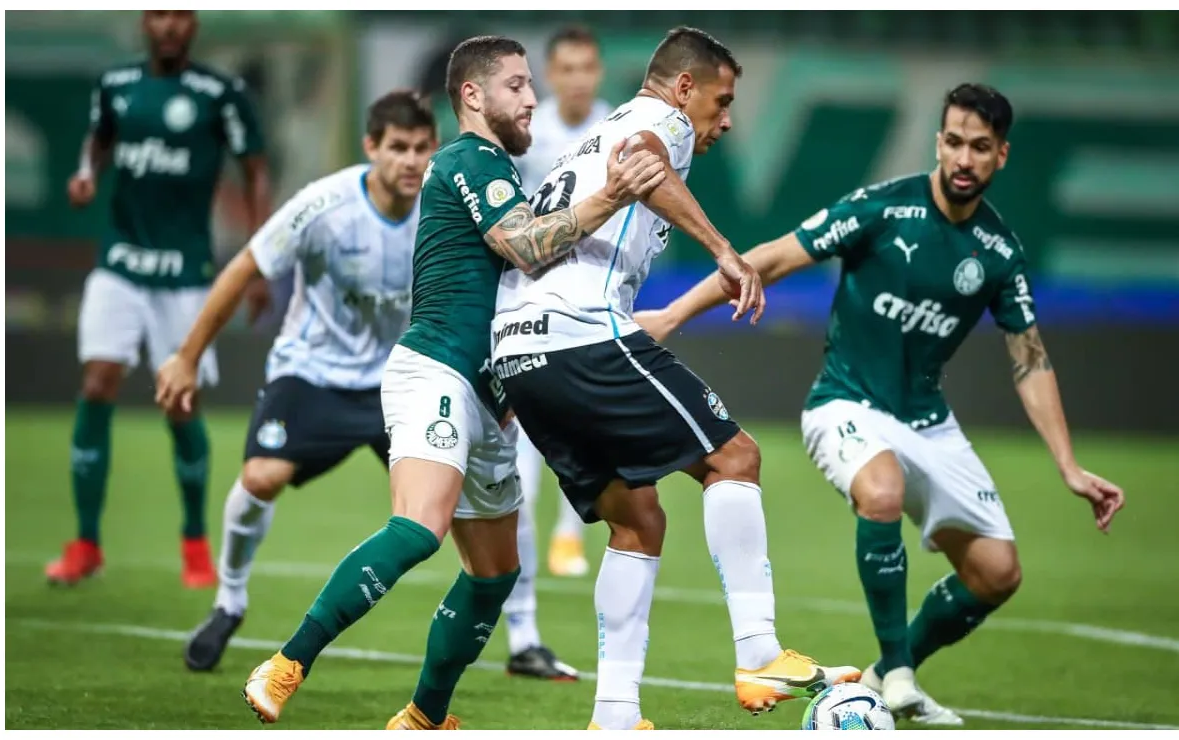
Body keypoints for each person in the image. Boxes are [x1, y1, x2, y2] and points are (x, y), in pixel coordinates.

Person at [635, 83, 1126, 726]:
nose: (963, 159)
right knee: (883, 490)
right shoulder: (885, 209)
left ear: (1001, 156)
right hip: (845, 404)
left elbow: (1030, 359)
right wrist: (674, 314)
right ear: (938, 141)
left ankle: (886, 671)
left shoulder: (1000, 252)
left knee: (997, 573)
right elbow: (775, 256)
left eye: (979, 147)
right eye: (953, 141)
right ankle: (896, 674)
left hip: (929, 419)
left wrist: (1068, 465)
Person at [235, 35, 666, 729]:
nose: (533, 99)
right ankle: (287, 663)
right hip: (434, 369)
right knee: (418, 527)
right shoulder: (471, 159)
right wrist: (614, 193)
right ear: (473, 96)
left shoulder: (502, 170)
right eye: (518, 85)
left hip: (486, 395)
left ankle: (424, 717)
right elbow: (525, 246)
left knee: (496, 573)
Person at [491, 26, 861, 731]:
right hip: (580, 334)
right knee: (736, 456)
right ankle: (758, 650)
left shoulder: (593, 135)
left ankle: (614, 713)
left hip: (521, 351)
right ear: (685, 86)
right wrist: (723, 249)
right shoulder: (659, 120)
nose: (724, 121)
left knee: (638, 521)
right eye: (721, 103)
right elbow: (643, 160)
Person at [48, 10, 270, 589]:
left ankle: (195, 542)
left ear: (193, 24)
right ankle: (85, 543)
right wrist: (85, 174)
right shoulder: (116, 85)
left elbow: (254, 170)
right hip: (120, 263)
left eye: (178, 15)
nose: (167, 26)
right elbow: (98, 140)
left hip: (186, 275)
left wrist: (261, 259)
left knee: (180, 403)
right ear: (143, 24)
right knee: (97, 382)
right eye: (156, 15)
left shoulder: (220, 93)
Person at [511, 25, 614, 586]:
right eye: (567, 69)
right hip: (531, 289)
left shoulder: (616, 128)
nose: (577, 79)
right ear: (551, 75)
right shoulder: (529, 130)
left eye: (587, 68)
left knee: (587, 420)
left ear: (598, 72)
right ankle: (525, 534)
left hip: (596, 287)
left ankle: (569, 535)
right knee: (526, 426)